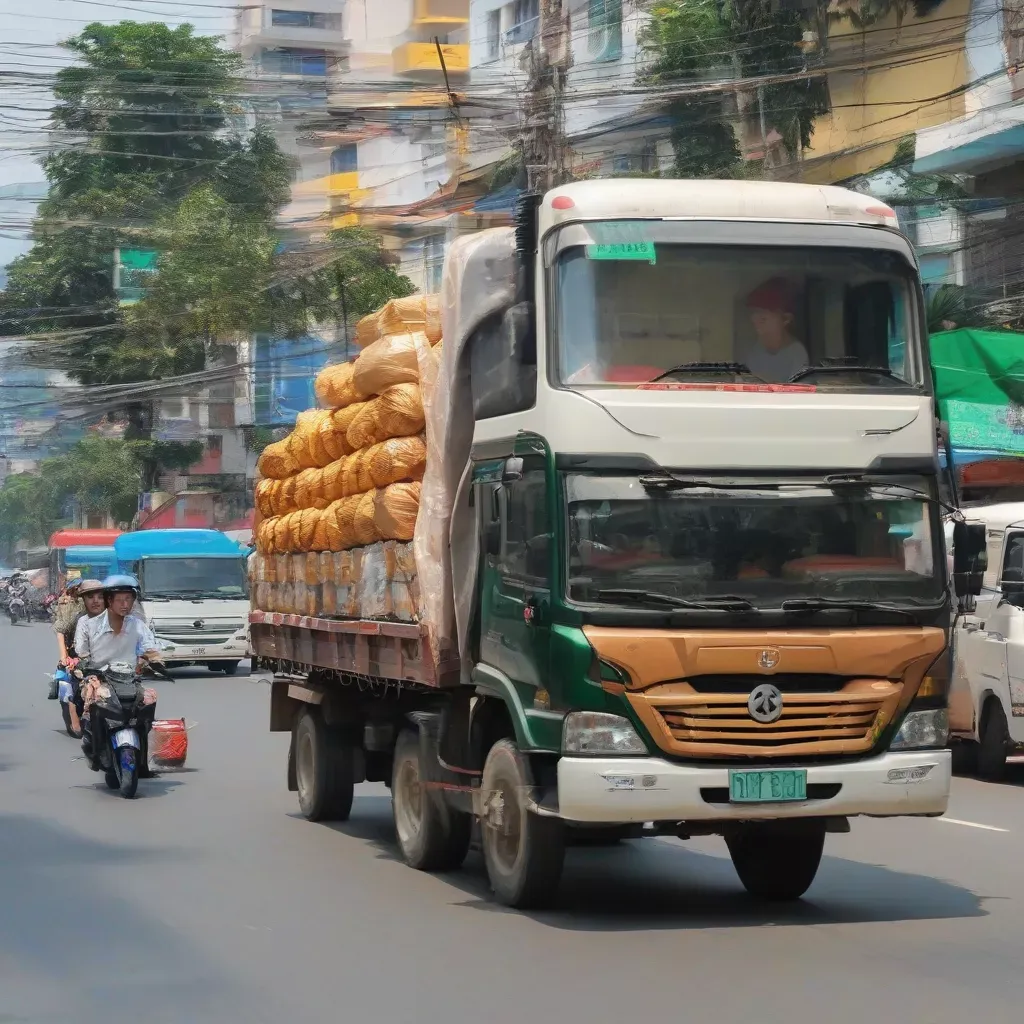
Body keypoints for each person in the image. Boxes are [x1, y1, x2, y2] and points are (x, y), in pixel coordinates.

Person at [53, 579, 105, 734]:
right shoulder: (79, 618)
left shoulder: (114, 617)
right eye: (90, 597)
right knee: (77, 682)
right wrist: (65, 656)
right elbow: (61, 631)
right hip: (81, 658)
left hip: (108, 660)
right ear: (83, 599)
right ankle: (74, 709)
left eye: (100, 596)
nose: (96, 601)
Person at [742, 278, 810, 383]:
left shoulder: (797, 353)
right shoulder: (756, 350)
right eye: (754, 313)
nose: (755, 320)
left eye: (763, 316)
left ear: (786, 319)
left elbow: (797, 393)